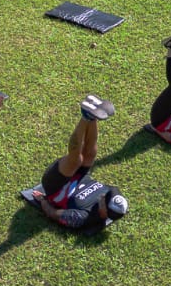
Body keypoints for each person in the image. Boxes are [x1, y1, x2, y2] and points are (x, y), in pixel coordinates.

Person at [35, 97, 129, 233]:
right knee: (90, 155)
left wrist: (42, 200)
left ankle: (85, 117)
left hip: (56, 187)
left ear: (104, 211)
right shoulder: (114, 196)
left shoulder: (82, 217)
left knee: (75, 160)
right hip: (81, 176)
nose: (103, 196)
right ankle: (92, 116)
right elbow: (111, 193)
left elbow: (53, 214)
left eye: (104, 201)